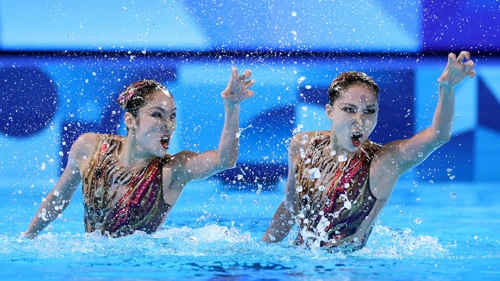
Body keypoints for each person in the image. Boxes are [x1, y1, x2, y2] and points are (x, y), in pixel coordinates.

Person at [261, 51, 475, 252]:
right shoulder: (303, 144)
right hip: (299, 264)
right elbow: (290, 207)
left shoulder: (382, 163)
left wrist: (447, 88)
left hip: (349, 268)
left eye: (369, 111)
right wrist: (263, 254)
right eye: (348, 110)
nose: (359, 121)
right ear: (329, 112)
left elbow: (438, 135)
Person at [24, 67, 255, 238]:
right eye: (157, 115)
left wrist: (232, 107)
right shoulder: (89, 147)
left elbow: (225, 160)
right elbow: (59, 198)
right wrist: (28, 238)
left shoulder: (173, 170)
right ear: (131, 120)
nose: (169, 124)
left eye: (173, 115)